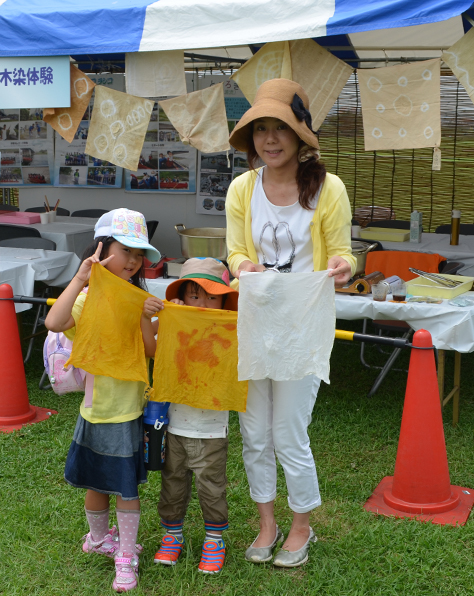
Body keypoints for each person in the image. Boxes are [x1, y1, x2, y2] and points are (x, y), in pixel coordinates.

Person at [225, 78, 356, 567]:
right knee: (254, 433)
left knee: (287, 433)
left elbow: (342, 251)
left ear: (300, 135)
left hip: (303, 323)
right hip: (255, 322)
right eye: (261, 128)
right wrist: (242, 267)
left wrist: (346, 266)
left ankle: (302, 526)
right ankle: (267, 522)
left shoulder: (328, 188)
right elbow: (235, 250)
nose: (270, 139)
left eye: (280, 127)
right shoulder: (242, 188)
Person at [45, 208, 163, 593]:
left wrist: (144, 316)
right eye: (124, 249)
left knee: (127, 489)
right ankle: (100, 541)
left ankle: (124, 554)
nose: (132, 260)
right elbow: (55, 322)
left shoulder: (138, 297)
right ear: (101, 248)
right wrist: (81, 277)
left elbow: (150, 350)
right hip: (97, 411)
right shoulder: (87, 298)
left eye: (138, 253)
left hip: (129, 410)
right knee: (100, 483)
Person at [152, 258, 239, 575]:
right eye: (193, 295)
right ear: (182, 298)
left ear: (224, 301)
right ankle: (172, 536)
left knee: (210, 487)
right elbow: (152, 348)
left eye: (212, 296)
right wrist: (167, 318)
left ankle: (214, 540)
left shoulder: (230, 335)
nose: (202, 303)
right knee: (172, 484)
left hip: (211, 431)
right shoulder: (173, 328)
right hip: (174, 426)